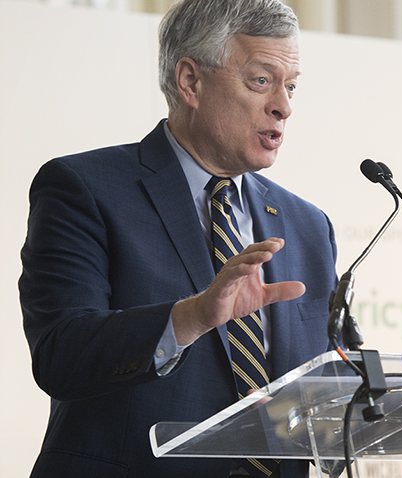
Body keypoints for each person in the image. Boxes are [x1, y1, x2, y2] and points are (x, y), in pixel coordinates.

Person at [19, 1, 337, 476]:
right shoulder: (83, 187)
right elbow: (61, 355)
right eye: (261, 81)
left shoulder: (308, 224)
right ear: (190, 81)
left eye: (290, 86)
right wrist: (191, 316)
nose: (283, 106)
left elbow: (323, 394)